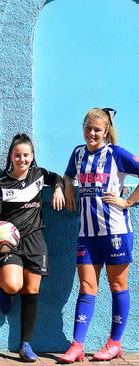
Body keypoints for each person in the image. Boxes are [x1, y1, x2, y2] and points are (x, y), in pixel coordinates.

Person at [59, 108, 139, 363]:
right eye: (88, 128)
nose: (91, 133)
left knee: (117, 285)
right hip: (87, 233)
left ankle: (115, 343)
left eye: (97, 129)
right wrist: (67, 187)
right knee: (86, 286)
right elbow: (68, 174)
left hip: (115, 231)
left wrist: (128, 202)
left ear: (106, 131)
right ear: (83, 128)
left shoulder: (116, 154)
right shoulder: (78, 153)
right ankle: (77, 345)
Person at [0, 133, 64, 362]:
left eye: (26, 155)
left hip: (36, 240)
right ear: (11, 156)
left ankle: (25, 344)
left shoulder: (39, 175)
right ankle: (5, 292)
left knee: (32, 291)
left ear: (32, 156)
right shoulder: (0, 185)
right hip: (11, 243)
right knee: (13, 285)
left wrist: (57, 189)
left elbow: (58, 178)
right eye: (18, 155)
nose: (22, 159)